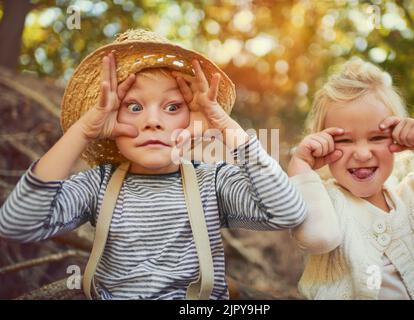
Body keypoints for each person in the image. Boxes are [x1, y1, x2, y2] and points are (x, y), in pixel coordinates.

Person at [0, 29, 307, 300]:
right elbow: (16, 223)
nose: (153, 122)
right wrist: (83, 131)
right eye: (134, 107)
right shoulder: (98, 185)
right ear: (111, 121)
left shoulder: (213, 183)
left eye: (173, 107)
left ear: (192, 119)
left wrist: (226, 127)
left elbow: (289, 212)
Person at [288, 57, 414, 299]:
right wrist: (300, 163)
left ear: (398, 139)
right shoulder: (326, 201)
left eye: (376, 138)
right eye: (344, 140)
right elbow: (316, 237)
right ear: (322, 144)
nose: (363, 154)